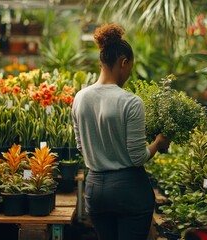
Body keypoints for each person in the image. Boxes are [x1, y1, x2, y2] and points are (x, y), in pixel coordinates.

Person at [71, 23, 170, 240]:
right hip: (129, 192)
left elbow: (81, 146)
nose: (128, 75)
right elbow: (138, 157)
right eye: (130, 69)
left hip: (95, 190)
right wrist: (158, 143)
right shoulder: (130, 102)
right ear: (123, 62)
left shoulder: (80, 98)